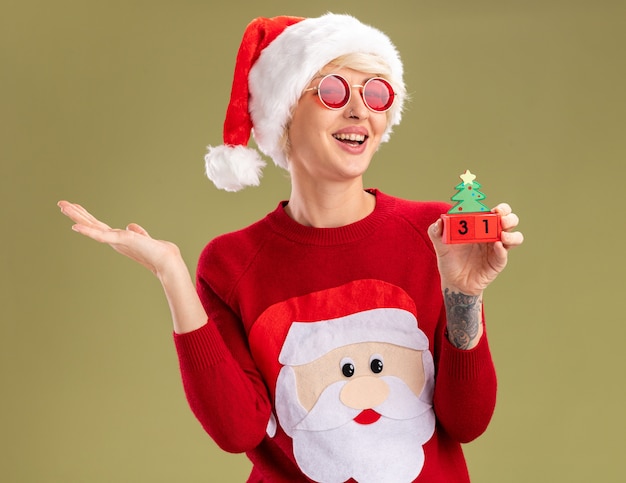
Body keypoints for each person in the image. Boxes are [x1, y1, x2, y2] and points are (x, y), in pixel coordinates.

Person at [58, 13, 523, 483]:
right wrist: (171, 273)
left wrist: (464, 297)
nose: (360, 111)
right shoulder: (231, 263)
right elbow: (238, 431)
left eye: (376, 92)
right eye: (333, 90)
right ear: (284, 114)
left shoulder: (433, 234)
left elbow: (468, 422)